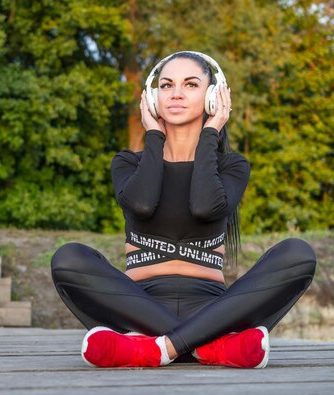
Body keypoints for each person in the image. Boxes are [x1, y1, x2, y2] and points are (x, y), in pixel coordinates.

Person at [50, 51, 317, 369]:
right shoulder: (128, 162)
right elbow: (142, 203)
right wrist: (154, 135)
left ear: (213, 97)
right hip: (138, 306)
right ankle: (211, 347)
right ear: (152, 97)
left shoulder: (231, 166)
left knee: (297, 253)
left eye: (191, 84)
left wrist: (211, 132)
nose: (176, 93)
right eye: (166, 85)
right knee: (68, 258)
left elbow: (206, 206)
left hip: (214, 309)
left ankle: (152, 349)